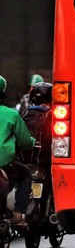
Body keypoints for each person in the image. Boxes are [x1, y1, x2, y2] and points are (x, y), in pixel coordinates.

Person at [0, 75, 36, 227]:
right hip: (5, 163)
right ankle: (18, 213)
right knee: (26, 174)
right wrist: (32, 143)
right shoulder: (11, 115)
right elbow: (25, 142)